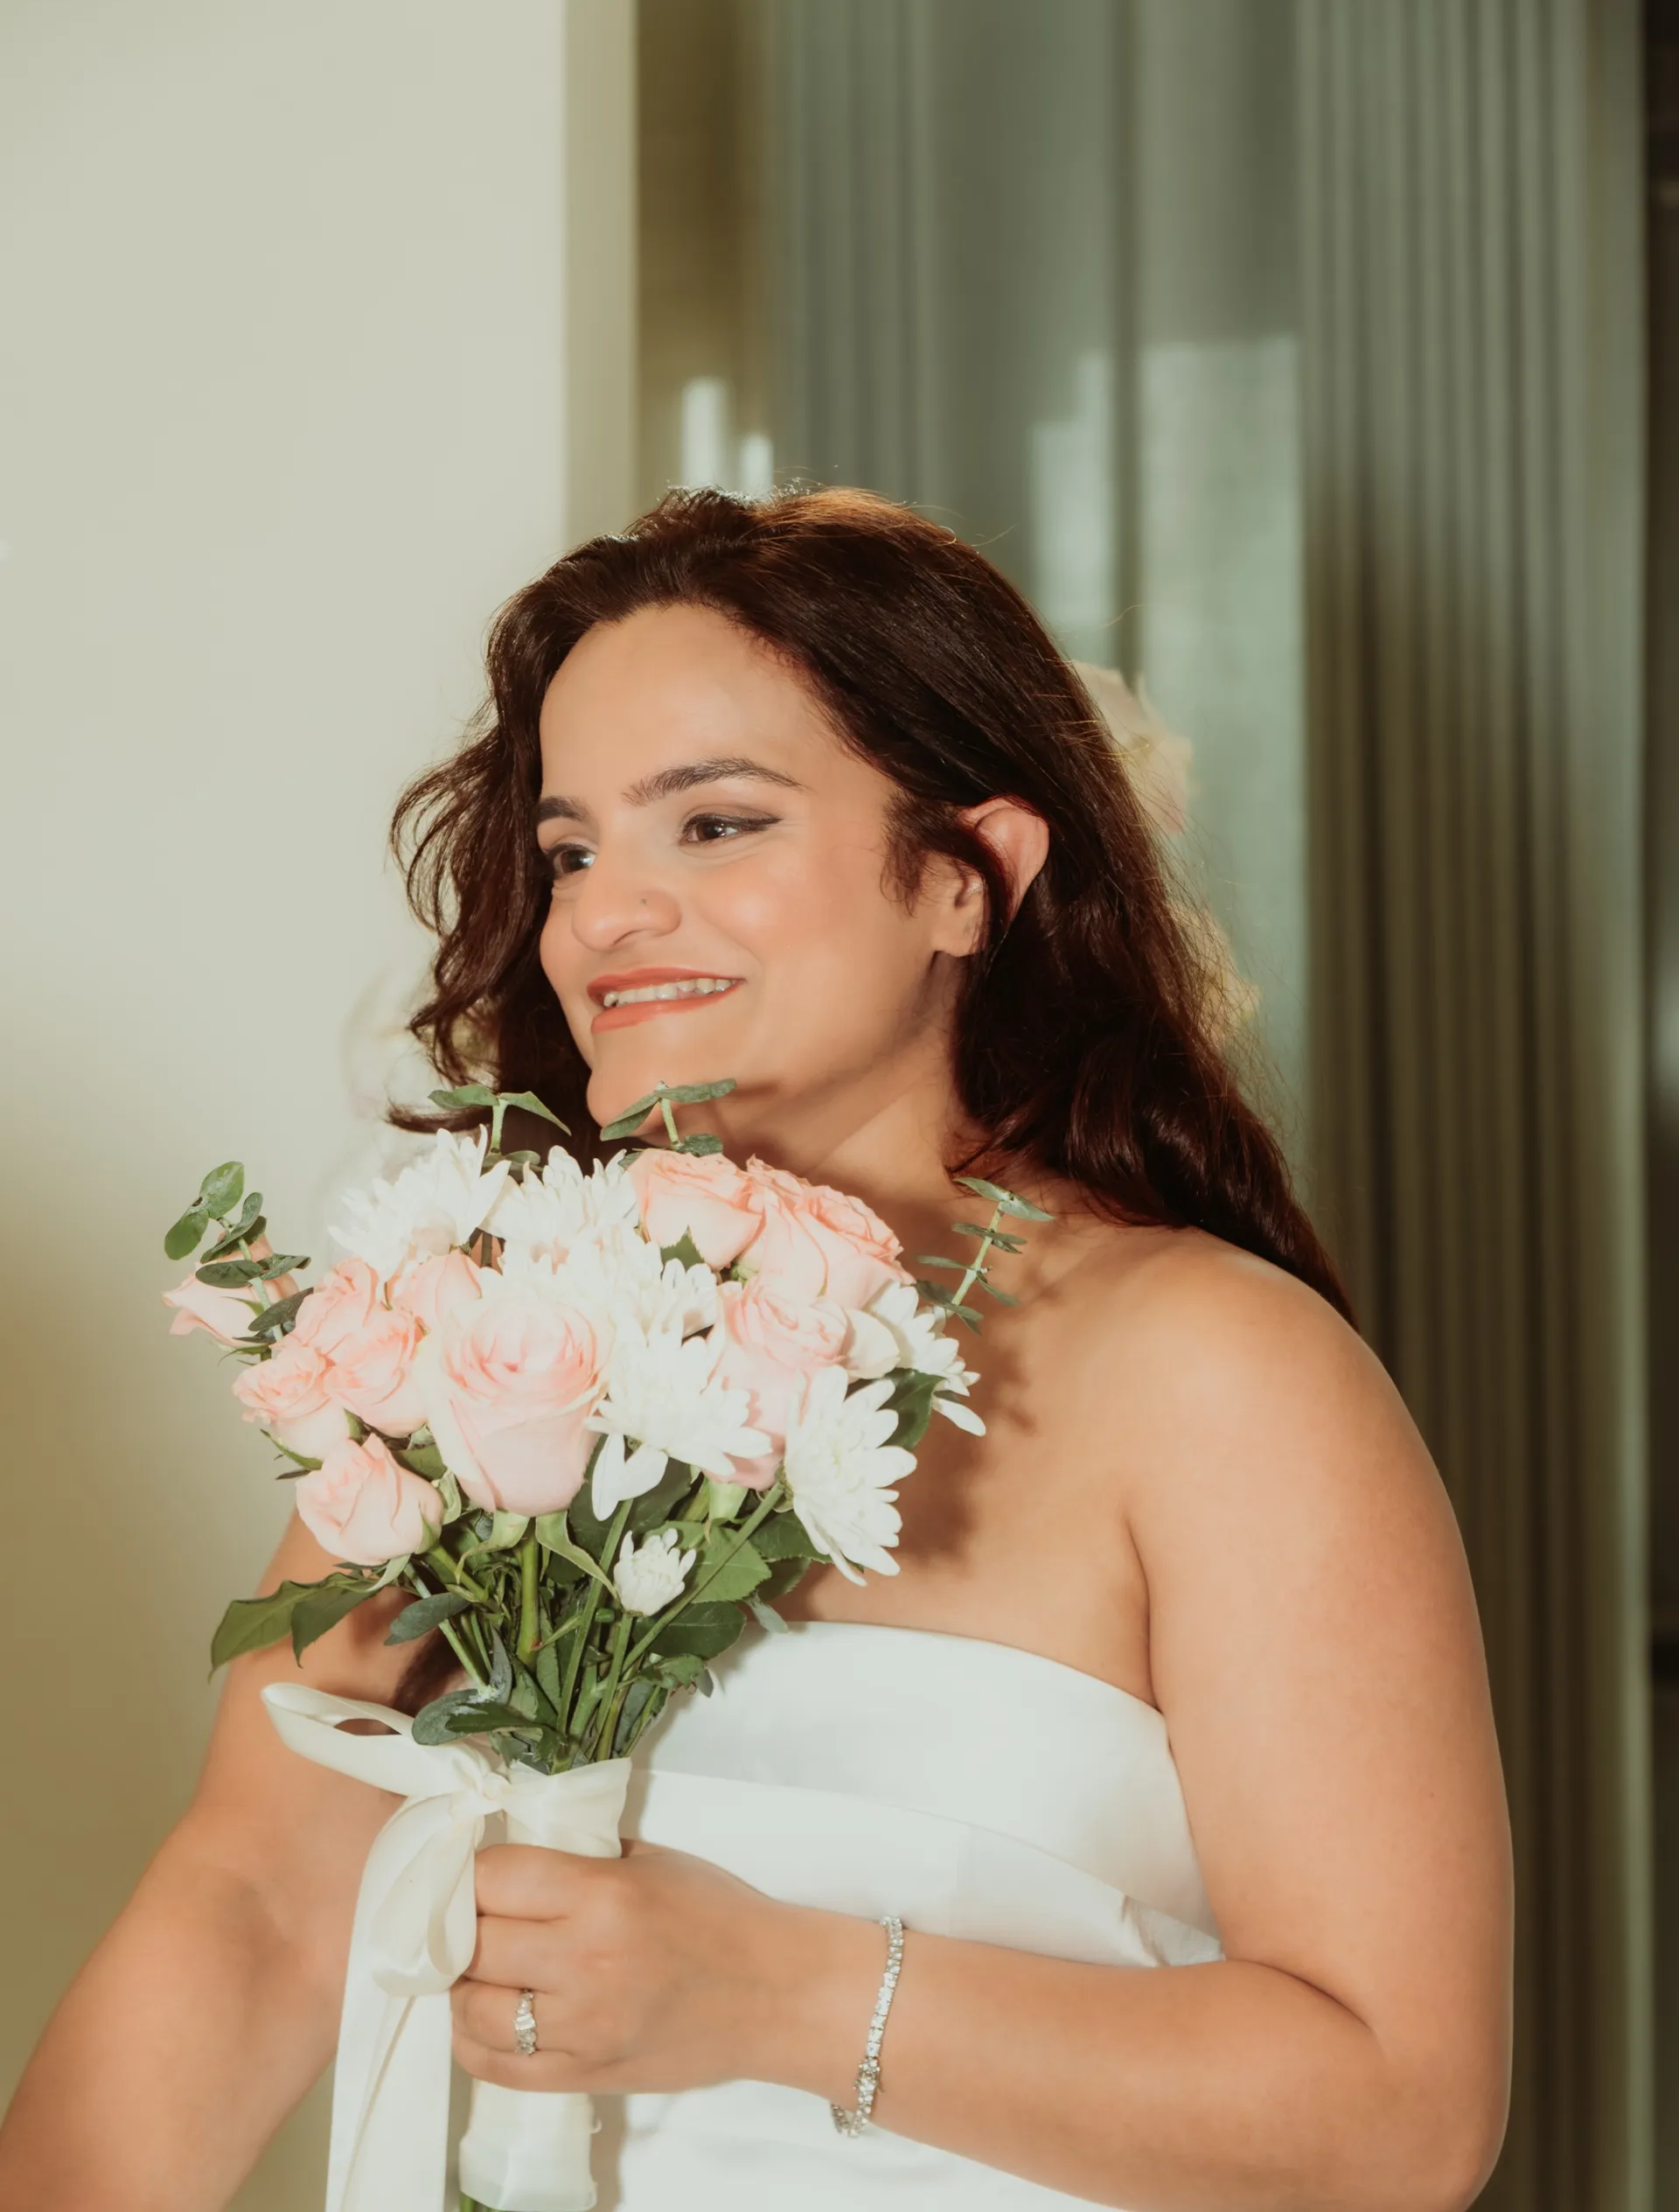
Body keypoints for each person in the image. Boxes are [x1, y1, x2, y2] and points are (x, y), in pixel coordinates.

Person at [0, 486, 1512, 2211]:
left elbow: (1402, 2115)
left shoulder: (1220, 1373)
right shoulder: (483, 1344)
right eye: (573, 851)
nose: (605, 914)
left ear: (968, 876)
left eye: (714, 824)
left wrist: (775, 1992)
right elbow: (255, 1908)